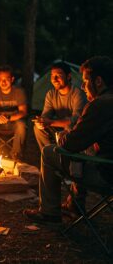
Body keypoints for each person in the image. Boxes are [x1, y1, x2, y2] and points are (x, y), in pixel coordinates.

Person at [24, 56, 113, 224]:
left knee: (50, 152)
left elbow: (70, 143)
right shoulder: (53, 94)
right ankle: (74, 204)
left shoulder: (100, 105)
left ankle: (49, 212)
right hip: (107, 163)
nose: (83, 86)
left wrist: (63, 135)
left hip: (107, 175)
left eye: (86, 81)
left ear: (99, 81)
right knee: (83, 152)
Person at [33, 62, 86, 151]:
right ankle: (50, 154)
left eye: (59, 75)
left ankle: (60, 155)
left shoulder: (77, 93)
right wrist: (41, 121)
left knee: (71, 128)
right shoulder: (51, 94)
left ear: (68, 76)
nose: (55, 79)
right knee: (38, 128)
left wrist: (50, 122)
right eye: (52, 76)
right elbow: (45, 115)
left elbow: (75, 121)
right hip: (59, 128)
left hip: (75, 130)